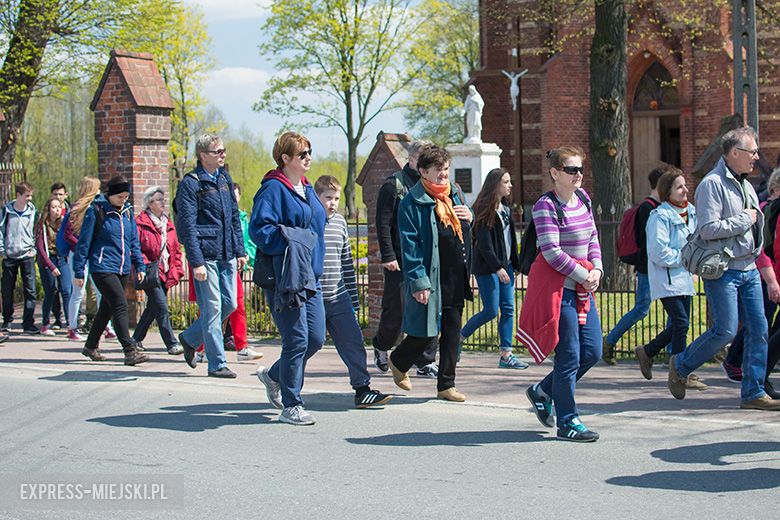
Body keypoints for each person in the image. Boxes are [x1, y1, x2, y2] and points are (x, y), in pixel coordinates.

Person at [667, 127, 780, 410]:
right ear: (733, 153)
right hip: (723, 270)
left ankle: (753, 392)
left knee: (759, 329)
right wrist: (744, 219)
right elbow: (707, 229)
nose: (756, 157)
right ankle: (680, 364)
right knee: (726, 331)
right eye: (752, 151)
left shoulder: (746, 184)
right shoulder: (711, 184)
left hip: (749, 267)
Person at [522, 147, 603, 442]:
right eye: (571, 170)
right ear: (555, 173)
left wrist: (597, 269)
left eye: (580, 169)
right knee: (569, 355)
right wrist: (583, 275)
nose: (578, 175)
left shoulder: (583, 199)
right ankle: (568, 421)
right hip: (561, 291)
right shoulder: (545, 206)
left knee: (592, 351)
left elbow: (593, 236)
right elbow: (551, 251)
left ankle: (542, 390)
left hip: (583, 288)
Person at [250, 131, 327, 426]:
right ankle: (291, 404)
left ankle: (273, 376)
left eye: (310, 152)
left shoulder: (306, 190)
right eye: (302, 154)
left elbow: (316, 229)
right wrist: (291, 240)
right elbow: (260, 230)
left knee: (316, 338)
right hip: (284, 277)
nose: (309, 158)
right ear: (285, 159)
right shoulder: (273, 189)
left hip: (310, 277)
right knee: (296, 339)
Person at [387, 145, 473, 402]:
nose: (444, 174)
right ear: (423, 171)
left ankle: (446, 384)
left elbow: (465, 226)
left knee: (452, 331)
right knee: (425, 332)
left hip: (456, 273)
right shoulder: (411, 202)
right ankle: (398, 360)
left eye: (446, 169)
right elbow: (409, 246)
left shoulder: (455, 193)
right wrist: (419, 281)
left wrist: (471, 216)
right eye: (438, 170)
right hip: (431, 276)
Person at [315, 175, 391, 408]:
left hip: (338, 296)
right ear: (316, 197)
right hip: (313, 295)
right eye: (328, 197)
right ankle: (280, 379)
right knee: (309, 343)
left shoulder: (340, 223)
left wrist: (352, 296)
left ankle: (362, 389)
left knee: (354, 342)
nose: (333, 203)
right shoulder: (308, 221)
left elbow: (347, 262)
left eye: (336, 198)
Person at [175, 133, 247, 378]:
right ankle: (217, 363)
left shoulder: (224, 178)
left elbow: (235, 218)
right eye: (218, 151)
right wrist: (196, 262)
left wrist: (240, 250)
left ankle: (189, 338)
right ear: (203, 155)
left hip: (226, 252)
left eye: (223, 150)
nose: (223, 155)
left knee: (230, 303)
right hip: (205, 255)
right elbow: (187, 225)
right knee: (213, 307)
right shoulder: (190, 183)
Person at [372, 139, 439, 378]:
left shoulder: (433, 185)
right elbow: (382, 223)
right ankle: (381, 345)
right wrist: (388, 255)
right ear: (411, 159)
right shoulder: (394, 185)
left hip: (428, 260)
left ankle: (426, 360)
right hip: (400, 260)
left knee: (430, 309)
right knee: (396, 310)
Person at [635, 168, 706, 389]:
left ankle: (648, 351)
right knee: (681, 323)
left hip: (685, 278)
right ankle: (679, 371)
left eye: (685, 185)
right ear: (668, 191)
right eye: (679, 186)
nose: (685, 190)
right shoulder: (659, 216)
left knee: (679, 324)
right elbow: (658, 252)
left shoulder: (692, 212)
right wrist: (685, 259)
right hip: (667, 279)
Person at [73, 175, 147, 365]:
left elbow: (133, 241)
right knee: (120, 304)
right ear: (111, 195)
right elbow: (84, 243)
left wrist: (139, 264)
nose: (123, 200)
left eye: (126, 196)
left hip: (121, 267)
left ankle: (90, 346)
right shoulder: (96, 211)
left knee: (107, 307)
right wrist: (79, 270)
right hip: (102, 266)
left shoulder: (128, 212)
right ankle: (129, 350)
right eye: (120, 197)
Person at [460, 167, 528, 369]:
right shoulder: (483, 209)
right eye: (506, 182)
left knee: (508, 308)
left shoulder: (505, 209)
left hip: (505, 267)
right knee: (490, 310)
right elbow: (484, 244)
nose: (510, 186)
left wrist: (514, 265)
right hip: (488, 269)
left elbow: (509, 240)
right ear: (495, 184)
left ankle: (506, 355)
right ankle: (459, 337)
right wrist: (498, 268)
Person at [722, 168, 780, 397]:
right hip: (766, 275)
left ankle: (756, 374)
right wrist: (772, 280)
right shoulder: (770, 208)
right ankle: (755, 374)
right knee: (759, 326)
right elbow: (768, 248)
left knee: (767, 327)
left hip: (770, 275)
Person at [603, 166, 665, 364]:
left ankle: (674, 351)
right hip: (648, 269)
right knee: (642, 309)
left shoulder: (659, 207)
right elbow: (646, 241)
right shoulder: (648, 208)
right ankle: (609, 341)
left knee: (676, 314)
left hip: (660, 268)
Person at [131, 186, 184, 355]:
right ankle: (172, 343)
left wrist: (176, 269)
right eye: (159, 199)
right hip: (150, 271)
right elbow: (136, 248)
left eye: (163, 199)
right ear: (149, 203)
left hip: (166, 271)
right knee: (161, 307)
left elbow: (175, 248)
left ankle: (136, 339)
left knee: (153, 307)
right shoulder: (141, 223)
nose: (163, 202)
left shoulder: (167, 223)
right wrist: (143, 265)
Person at [225, 182, 263, 361]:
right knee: (217, 307)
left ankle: (241, 345)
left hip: (236, 264)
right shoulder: (221, 215)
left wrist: (246, 255)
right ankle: (202, 347)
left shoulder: (241, 217)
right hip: (221, 264)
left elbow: (247, 239)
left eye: (236, 195)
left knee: (237, 305)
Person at [62, 177, 102, 342]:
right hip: (77, 255)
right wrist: (83, 245)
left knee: (101, 291)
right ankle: (72, 327)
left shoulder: (96, 206)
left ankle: (106, 326)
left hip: (93, 254)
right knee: (78, 291)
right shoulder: (77, 208)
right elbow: (68, 234)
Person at [0, 182, 39, 334]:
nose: (29, 199)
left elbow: (36, 231)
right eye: (26, 196)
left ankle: (28, 322)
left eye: (30, 195)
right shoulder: (7, 211)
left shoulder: (32, 211)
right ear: (18, 195)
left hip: (27, 254)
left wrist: (33, 248)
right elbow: (1, 231)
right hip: (10, 254)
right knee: (7, 289)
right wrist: (3, 250)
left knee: (30, 290)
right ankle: (7, 320)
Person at [35, 197, 72, 336]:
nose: (57, 210)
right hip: (48, 260)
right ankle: (45, 324)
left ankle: (70, 324)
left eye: (59, 207)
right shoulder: (42, 225)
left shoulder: (63, 223)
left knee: (67, 290)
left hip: (62, 258)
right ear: (48, 210)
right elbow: (40, 247)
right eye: (54, 207)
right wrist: (51, 266)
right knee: (51, 291)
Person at [49, 182, 69, 329]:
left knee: (67, 289)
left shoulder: (70, 211)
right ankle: (57, 318)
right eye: (55, 194)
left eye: (60, 194)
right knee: (53, 289)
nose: (58, 197)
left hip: (67, 255)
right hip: (52, 254)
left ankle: (71, 320)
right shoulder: (46, 212)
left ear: (65, 195)